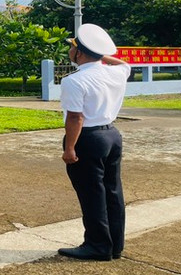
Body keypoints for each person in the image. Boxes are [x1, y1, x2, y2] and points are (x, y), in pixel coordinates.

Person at [57, 23, 131, 261]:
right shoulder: (117, 72)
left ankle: (98, 245)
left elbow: (76, 117)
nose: (69, 51)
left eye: (72, 47)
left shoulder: (74, 81)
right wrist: (98, 53)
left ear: (80, 53)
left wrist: (70, 148)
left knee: (92, 194)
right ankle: (114, 245)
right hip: (112, 136)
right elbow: (123, 63)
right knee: (112, 192)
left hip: (87, 139)